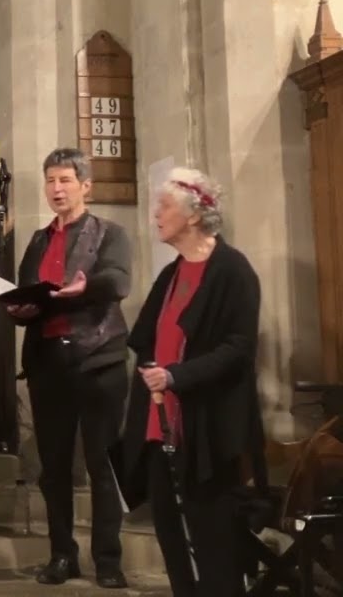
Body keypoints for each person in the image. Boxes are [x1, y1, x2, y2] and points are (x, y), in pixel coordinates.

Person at [120, 168, 264, 597]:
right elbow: (147, 339)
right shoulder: (171, 274)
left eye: (164, 207)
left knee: (214, 540)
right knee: (170, 532)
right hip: (161, 425)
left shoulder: (233, 272)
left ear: (195, 215)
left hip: (209, 430)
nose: (155, 216)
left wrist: (177, 375)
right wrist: (154, 374)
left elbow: (238, 348)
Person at [6, 148, 131, 588]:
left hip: (99, 362)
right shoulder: (39, 239)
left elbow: (119, 281)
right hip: (48, 365)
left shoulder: (109, 233)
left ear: (85, 186)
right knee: (54, 467)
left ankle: (109, 560)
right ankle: (62, 555)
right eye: (51, 181)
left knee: (102, 465)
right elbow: (26, 290)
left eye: (64, 180)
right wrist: (18, 307)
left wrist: (85, 287)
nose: (56, 189)